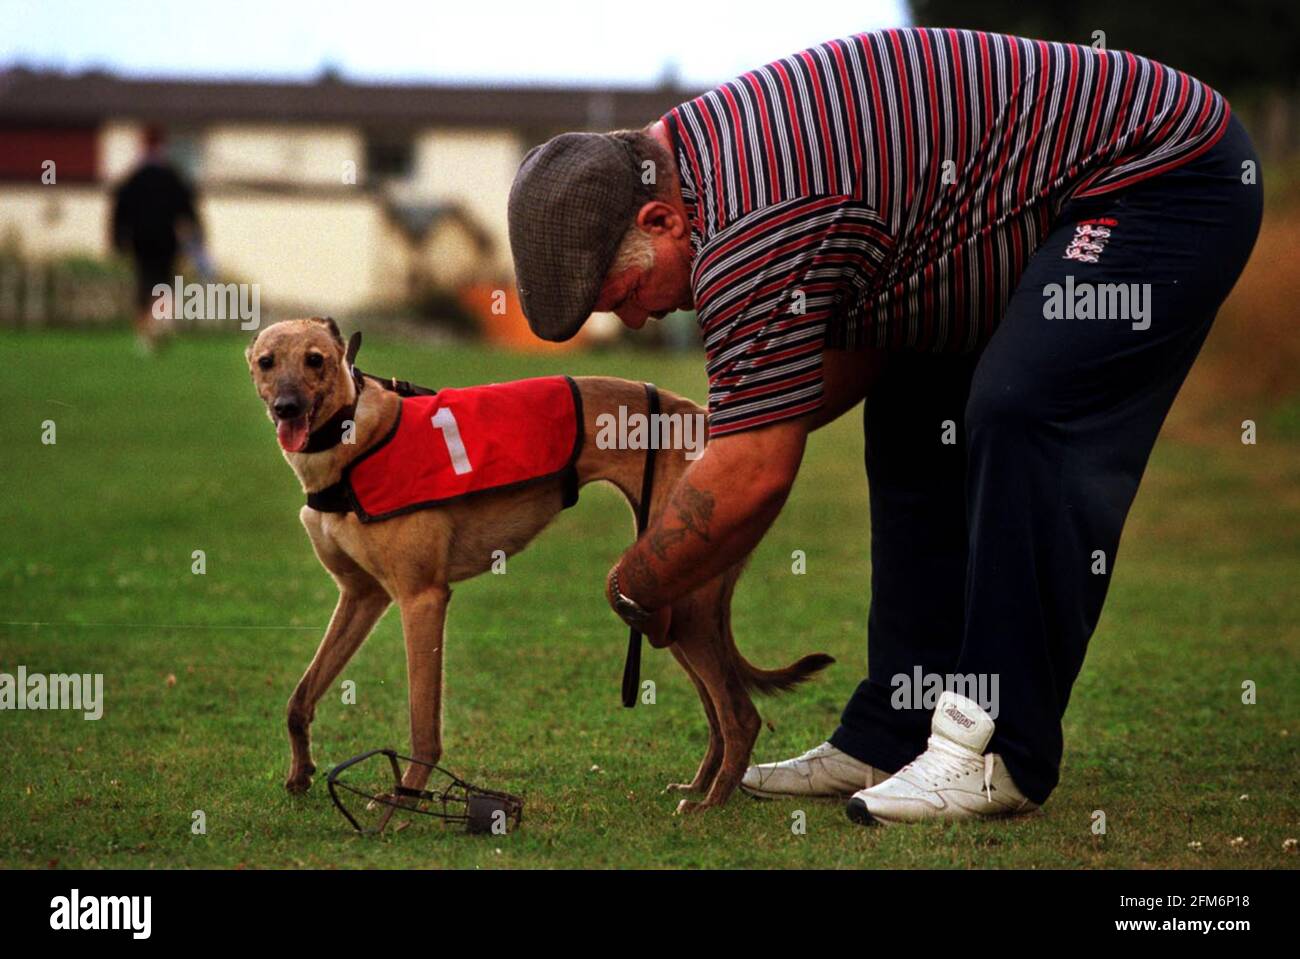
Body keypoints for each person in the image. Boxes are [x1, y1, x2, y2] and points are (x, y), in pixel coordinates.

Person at [506, 28, 1262, 823]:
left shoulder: (749, 228)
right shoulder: (711, 173)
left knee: (1022, 408)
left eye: (624, 292)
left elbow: (756, 468)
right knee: (913, 420)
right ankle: (895, 730)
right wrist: (717, 455)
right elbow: (799, 395)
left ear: (660, 220)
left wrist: (636, 583)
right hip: (1023, 218)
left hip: (1163, 173)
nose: (633, 319)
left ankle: (997, 750)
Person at [111, 126, 204, 352]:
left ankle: (146, 334)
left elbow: (120, 211)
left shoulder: (134, 177)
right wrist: (197, 236)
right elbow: (188, 208)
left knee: (144, 286)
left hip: (141, 241)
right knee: (163, 286)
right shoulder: (172, 176)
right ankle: (158, 326)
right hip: (166, 241)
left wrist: (118, 239)